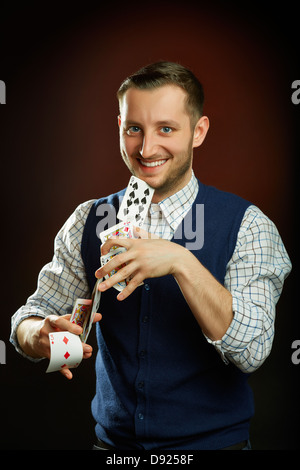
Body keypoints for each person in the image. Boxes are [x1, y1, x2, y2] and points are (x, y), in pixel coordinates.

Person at [11, 61, 292, 450]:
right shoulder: (86, 220)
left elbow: (253, 351)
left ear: (199, 132)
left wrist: (180, 260)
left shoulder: (248, 226)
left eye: (166, 129)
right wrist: (36, 335)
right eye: (134, 129)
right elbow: (30, 317)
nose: (146, 149)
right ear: (119, 127)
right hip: (112, 450)